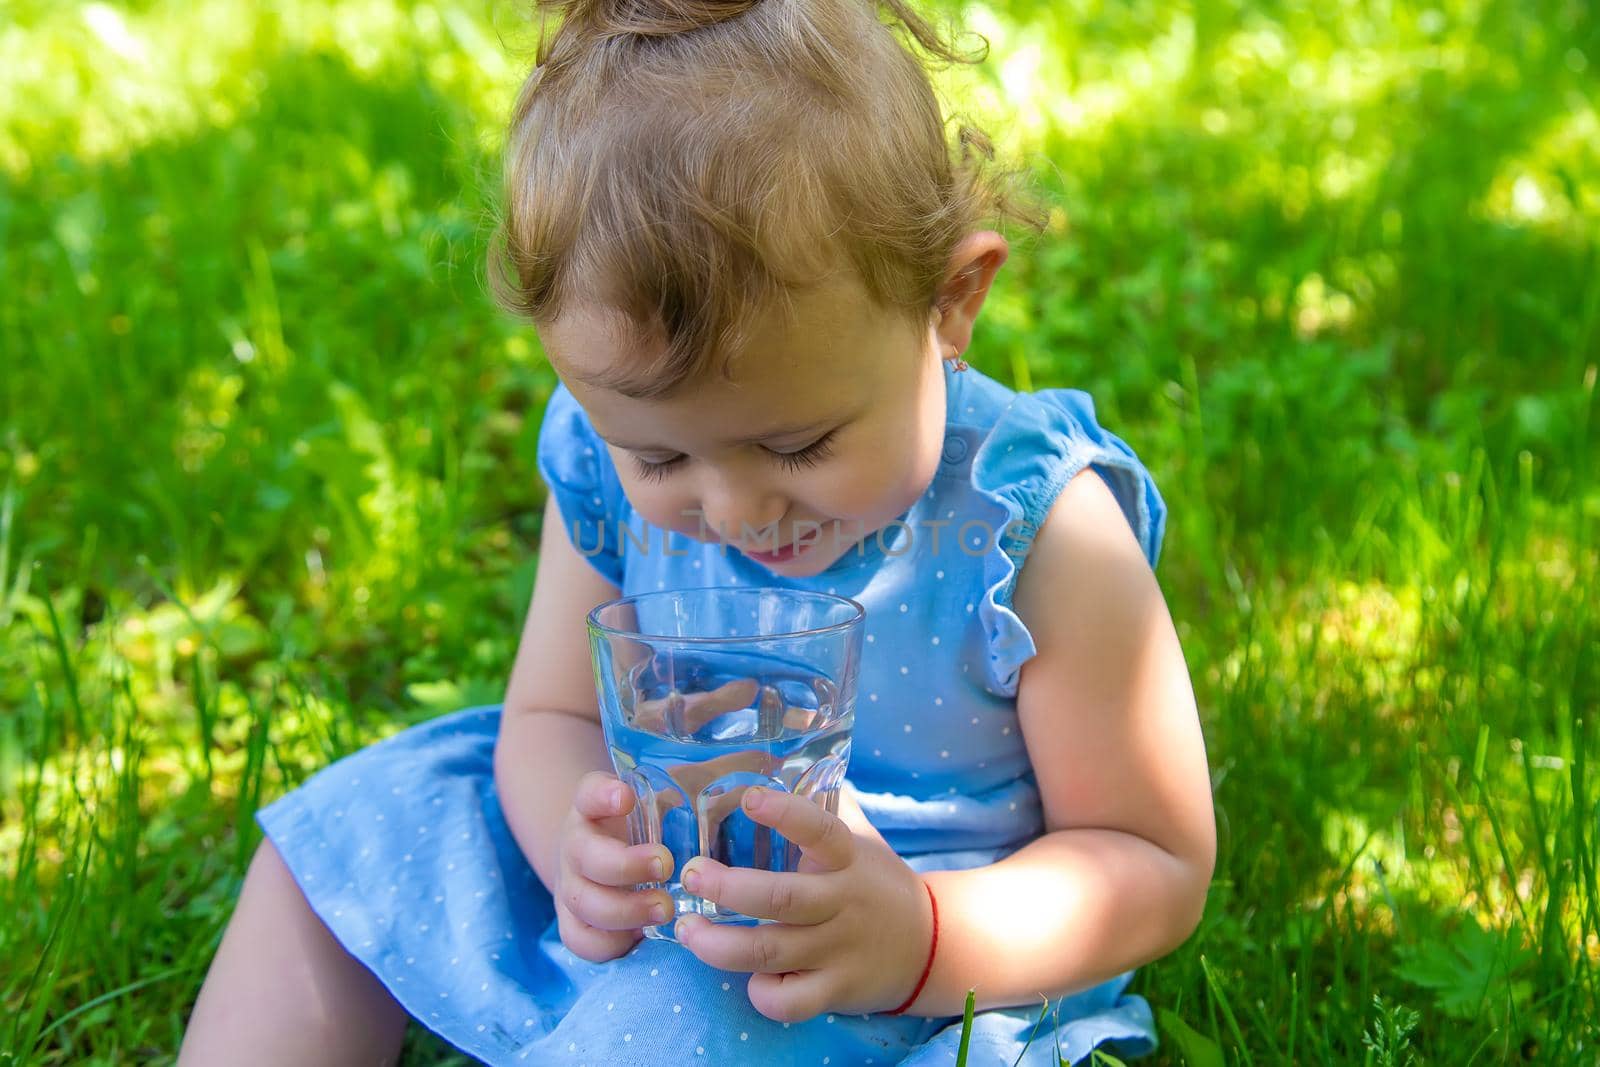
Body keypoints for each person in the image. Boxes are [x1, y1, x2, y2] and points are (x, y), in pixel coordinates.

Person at [179, 0, 1215, 1063]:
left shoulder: (1031, 525)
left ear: (952, 301)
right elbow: (546, 715)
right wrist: (576, 855)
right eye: (662, 459)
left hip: (892, 973)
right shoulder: (598, 454)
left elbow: (1149, 856)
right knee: (358, 825)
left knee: (690, 1016)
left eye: (800, 442)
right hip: (652, 912)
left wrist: (921, 936)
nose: (734, 511)